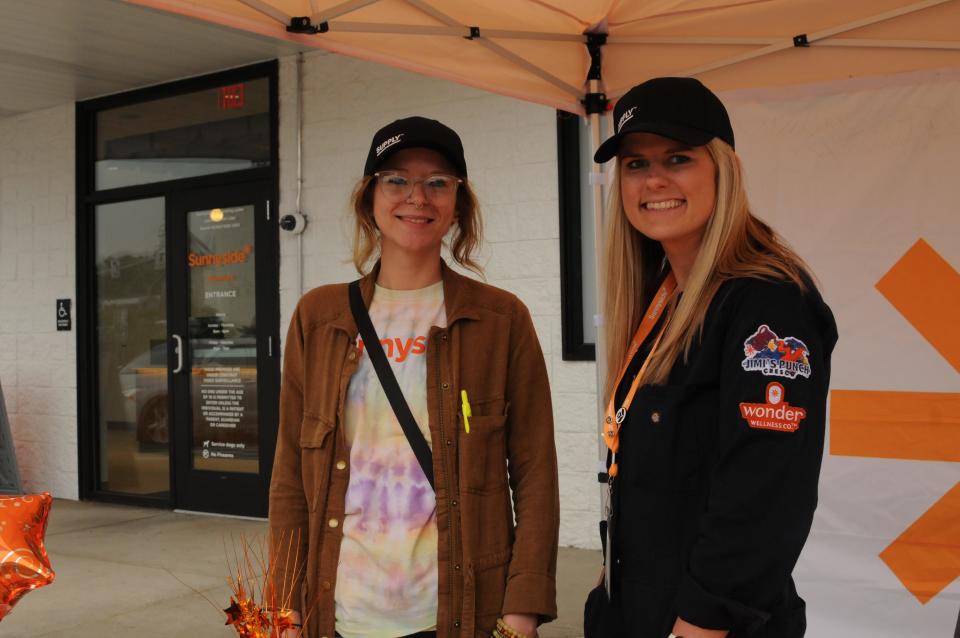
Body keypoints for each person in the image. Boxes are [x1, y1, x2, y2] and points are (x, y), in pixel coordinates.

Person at [269, 116, 559, 638]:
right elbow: (291, 469)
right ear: (369, 198)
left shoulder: (499, 319)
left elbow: (536, 470)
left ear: (458, 203)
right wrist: (284, 603)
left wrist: (523, 609)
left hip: (457, 611)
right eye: (397, 180)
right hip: (336, 609)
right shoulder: (319, 317)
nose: (417, 198)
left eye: (437, 182)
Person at [584, 78, 838, 638]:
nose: (654, 180)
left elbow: (765, 495)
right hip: (640, 607)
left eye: (678, 158)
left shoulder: (767, 302)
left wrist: (700, 625)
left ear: (722, 169)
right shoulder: (664, 294)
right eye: (634, 164)